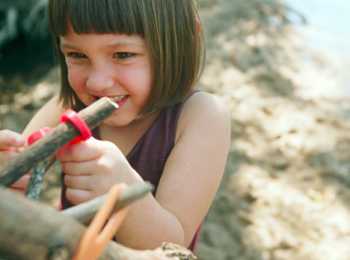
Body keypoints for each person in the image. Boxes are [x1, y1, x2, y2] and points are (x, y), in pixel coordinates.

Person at [0, 0, 231, 251]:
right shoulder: (69, 105)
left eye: (123, 55)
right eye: (77, 55)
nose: (97, 83)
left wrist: (124, 192)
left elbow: (172, 248)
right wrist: (10, 173)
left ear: (186, 40)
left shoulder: (201, 115)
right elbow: (19, 172)